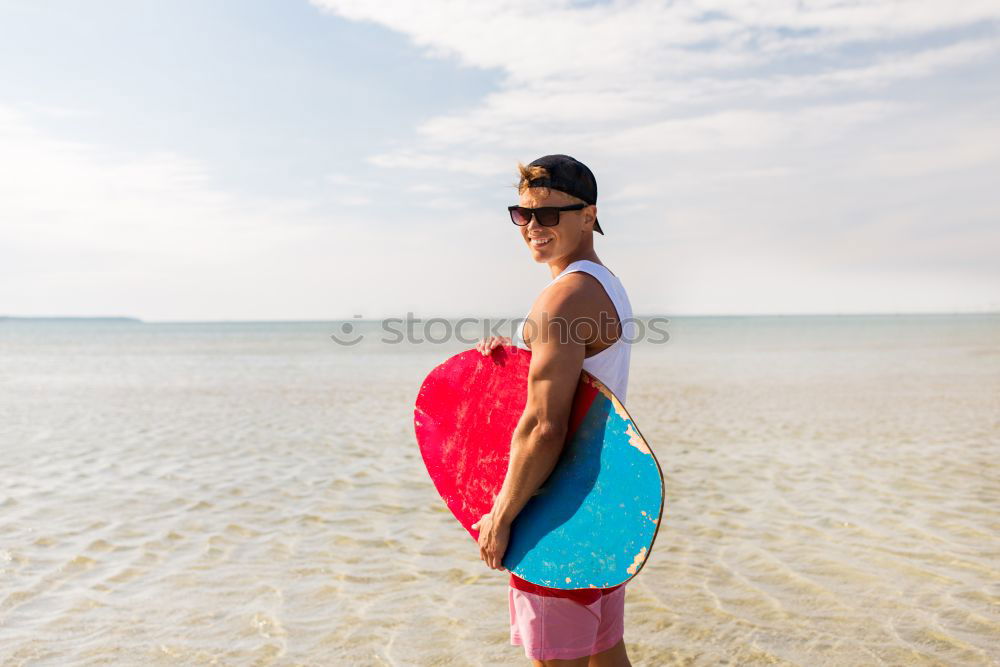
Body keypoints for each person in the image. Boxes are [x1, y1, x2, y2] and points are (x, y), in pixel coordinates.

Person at [471, 154, 635, 666]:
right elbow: (584, 378)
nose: (534, 228)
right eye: (523, 215)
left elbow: (545, 425)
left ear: (588, 215)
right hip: (603, 505)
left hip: (557, 513)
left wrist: (501, 514)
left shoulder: (561, 299)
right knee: (607, 656)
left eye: (550, 215)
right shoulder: (604, 284)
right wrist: (519, 357)